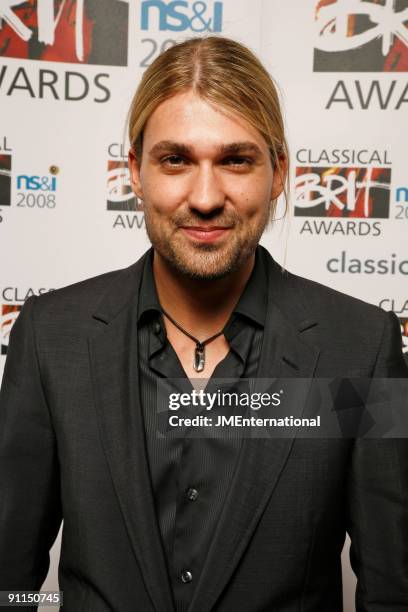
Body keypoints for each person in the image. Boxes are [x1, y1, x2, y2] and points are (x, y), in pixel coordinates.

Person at [0, 36, 407, 612]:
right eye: (176, 160)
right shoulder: (50, 337)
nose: (207, 196)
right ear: (135, 172)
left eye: (236, 160)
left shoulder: (362, 350)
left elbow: (394, 589)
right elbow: (8, 578)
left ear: (280, 173)